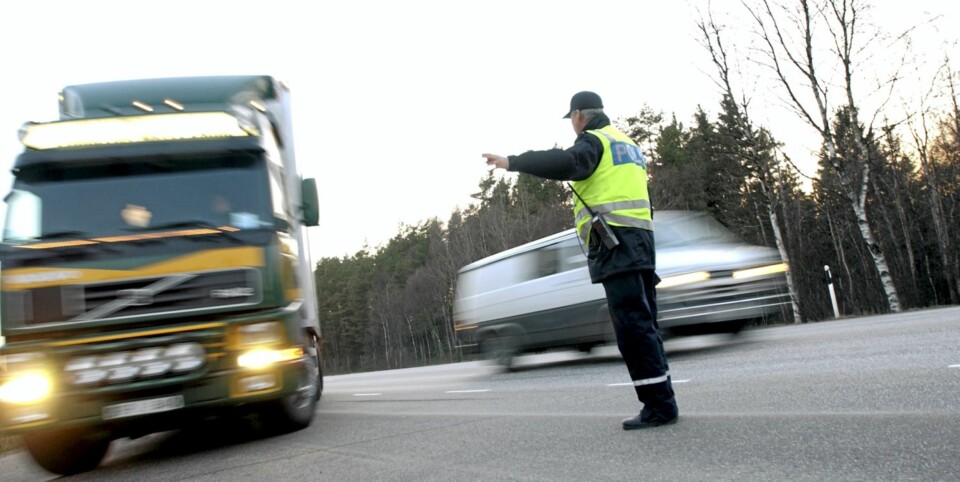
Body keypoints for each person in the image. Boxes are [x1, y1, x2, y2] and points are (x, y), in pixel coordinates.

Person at [483, 91, 678, 430]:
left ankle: (659, 408)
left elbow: (566, 162)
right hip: (642, 244)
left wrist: (512, 162)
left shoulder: (594, 141)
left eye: (572, 120)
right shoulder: (627, 144)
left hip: (617, 246)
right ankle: (664, 400)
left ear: (578, 116)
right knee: (646, 327)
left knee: (633, 331)